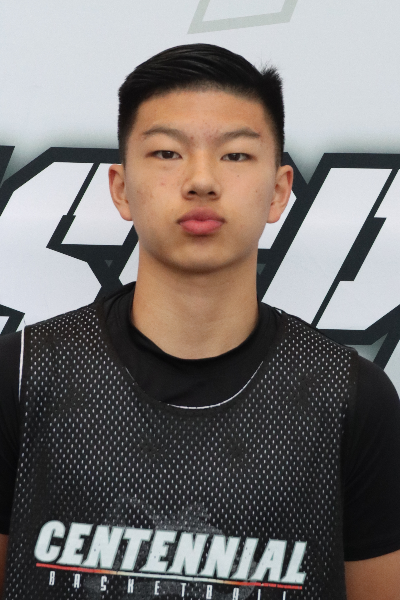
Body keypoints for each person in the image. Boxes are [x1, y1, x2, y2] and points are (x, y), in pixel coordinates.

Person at [1, 43, 400, 600]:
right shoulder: (21, 374)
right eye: (167, 152)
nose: (202, 180)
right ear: (120, 188)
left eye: (235, 155)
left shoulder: (353, 399)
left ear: (279, 191)